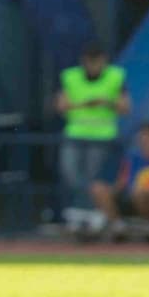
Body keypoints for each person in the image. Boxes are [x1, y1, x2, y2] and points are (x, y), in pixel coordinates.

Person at [56, 43, 130, 225]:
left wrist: (106, 103)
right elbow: (60, 105)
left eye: (97, 62)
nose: (94, 66)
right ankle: (82, 210)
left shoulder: (115, 76)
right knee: (71, 173)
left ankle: (90, 211)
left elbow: (125, 107)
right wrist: (86, 104)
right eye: (90, 62)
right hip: (75, 134)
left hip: (102, 136)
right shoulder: (70, 77)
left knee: (93, 176)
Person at [90, 122, 149, 235]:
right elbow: (122, 183)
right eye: (143, 137)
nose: (146, 141)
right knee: (98, 188)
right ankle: (116, 224)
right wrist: (108, 192)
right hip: (135, 199)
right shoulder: (132, 158)